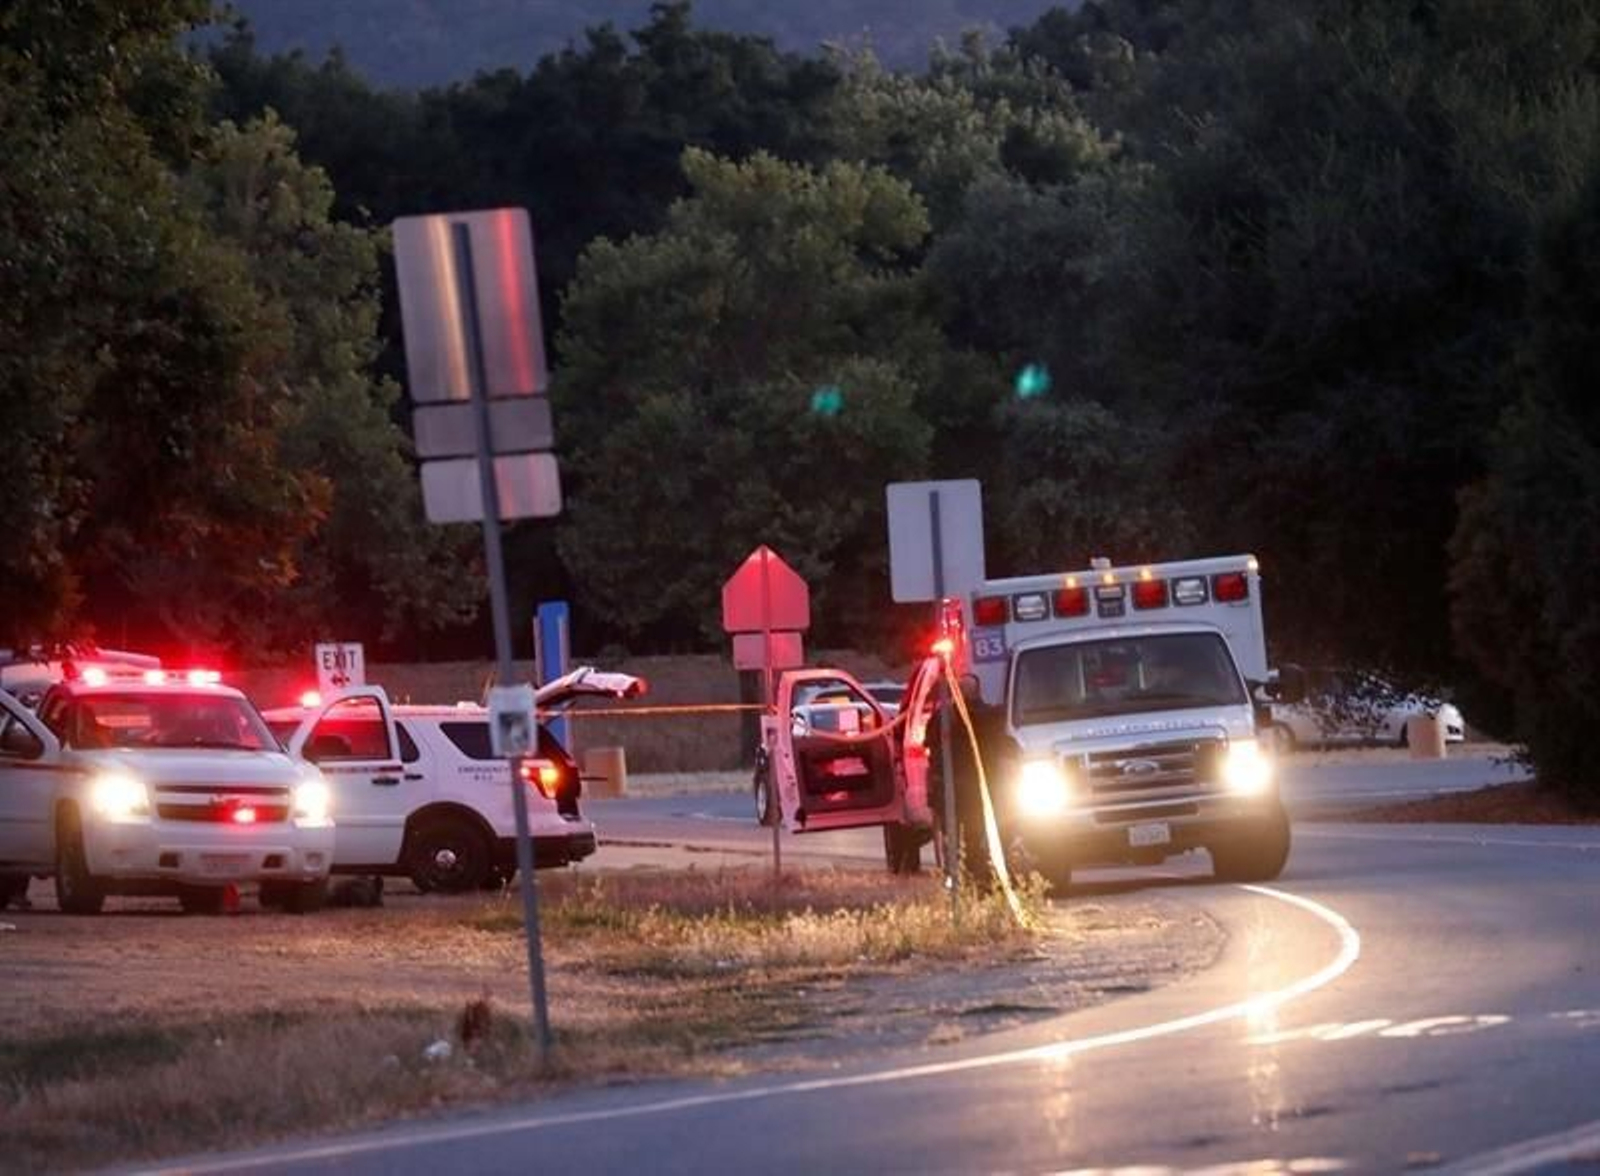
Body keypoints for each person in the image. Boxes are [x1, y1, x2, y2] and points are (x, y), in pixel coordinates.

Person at [928, 674, 1018, 884]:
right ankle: (978, 876)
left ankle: (972, 876)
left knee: (967, 836)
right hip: (973, 788)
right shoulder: (990, 716)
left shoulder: (946, 717)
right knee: (976, 834)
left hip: (968, 788)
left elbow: (933, 753)